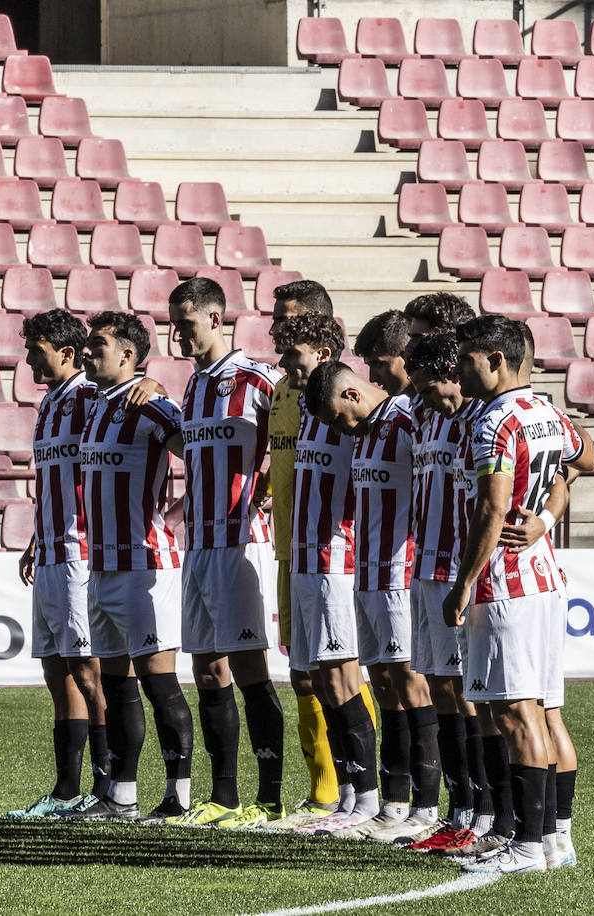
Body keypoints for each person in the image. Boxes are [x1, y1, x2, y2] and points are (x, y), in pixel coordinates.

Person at [444, 316, 593, 874]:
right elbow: (586, 458)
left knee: (514, 710)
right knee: (547, 711)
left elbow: (492, 509)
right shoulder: (548, 412)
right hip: (545, 579)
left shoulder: (496, 421)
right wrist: (549, 517)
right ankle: (555, 840)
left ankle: (528, 846)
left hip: (506, 583)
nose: (461, 372)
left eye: (468, 361)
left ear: (497, 362)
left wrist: (462, 584)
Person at [62, 311, 196, 823]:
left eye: (98, 344)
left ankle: (178, 797)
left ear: (128, 355)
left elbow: (200, 456)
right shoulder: (98, 405)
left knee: (159, 681)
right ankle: (121, 795)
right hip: (102, 567)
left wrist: (176, 516)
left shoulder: (151, 405)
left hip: (145, 564)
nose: (88, 350)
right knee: (116, 684)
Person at [166, 277, 288, 829]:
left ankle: (269, 798)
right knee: (207, 669)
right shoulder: (193, 387)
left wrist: (263, 495)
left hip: (241, 542)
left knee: (249, 667)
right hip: (199, 546)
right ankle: (224, 797)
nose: (177, 334)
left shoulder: (259, 379)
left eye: (186, 323)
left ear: (216, 319)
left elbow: (295, 440)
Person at [307, 357, 443, 844]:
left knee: (411, 685)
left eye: (335, 417)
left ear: (351, 395)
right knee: (384, 685)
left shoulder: (406, 422)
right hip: (366, 576)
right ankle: (395, 803)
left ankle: (428, 808)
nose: (336, 430)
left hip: (401, 576)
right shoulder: (363, 432)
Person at [271, 313, 381, 836]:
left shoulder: (351, 409)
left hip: (339, 562)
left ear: (320, 351)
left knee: (345, 678)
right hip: (304, 559)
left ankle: (370, 798)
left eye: (292, 354)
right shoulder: (305, 409)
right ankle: (343, 797)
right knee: (320, 680)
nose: (284, 363)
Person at [7, 309, 109, 818]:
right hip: (48, 552)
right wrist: (34, 537)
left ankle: (110, 788)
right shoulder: (50, 403)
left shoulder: (92, 399)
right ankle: (67, 791)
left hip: (81, 557)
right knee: (57, 674)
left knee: (89, 672)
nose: (28, 359)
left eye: (36, 349)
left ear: (67, 352)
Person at [400, 329, 495, 855]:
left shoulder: (484, 421)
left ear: (453, 375)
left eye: (431, 386)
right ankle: (458, 812)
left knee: (470, 696)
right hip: (424, 570)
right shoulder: (424, 415)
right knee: (440, 690)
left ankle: (484, 814)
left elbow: (575, 462)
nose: (427, 397)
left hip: (466, 577)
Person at [260, 279, 349, 829]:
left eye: (289, 325)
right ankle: (323, 793)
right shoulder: (280, 393)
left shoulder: (342, 392)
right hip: (289, 549)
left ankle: (362, 790)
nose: (278, 335)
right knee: (301, 672)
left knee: (343, 669)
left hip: (336, 551)